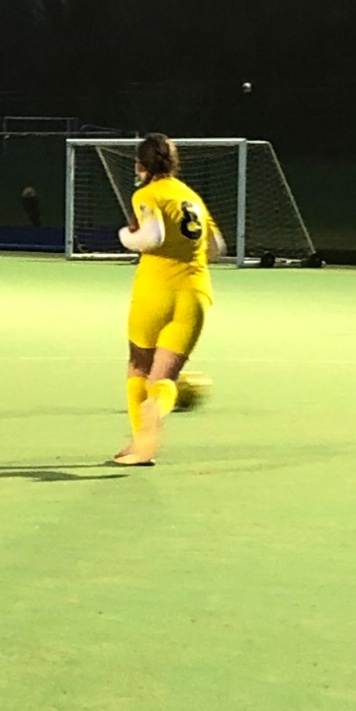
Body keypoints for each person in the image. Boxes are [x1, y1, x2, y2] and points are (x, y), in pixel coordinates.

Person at [114, 132, 225, 467]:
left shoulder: (147, 194)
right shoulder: (191, 197)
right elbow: (216, 247)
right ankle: (156, 408)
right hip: (195, 294)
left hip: (155, 292)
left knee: (138, 366)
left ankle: (139, 443)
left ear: (141, 165)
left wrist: (125, 236)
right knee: (164, 379)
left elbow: (153, 236)